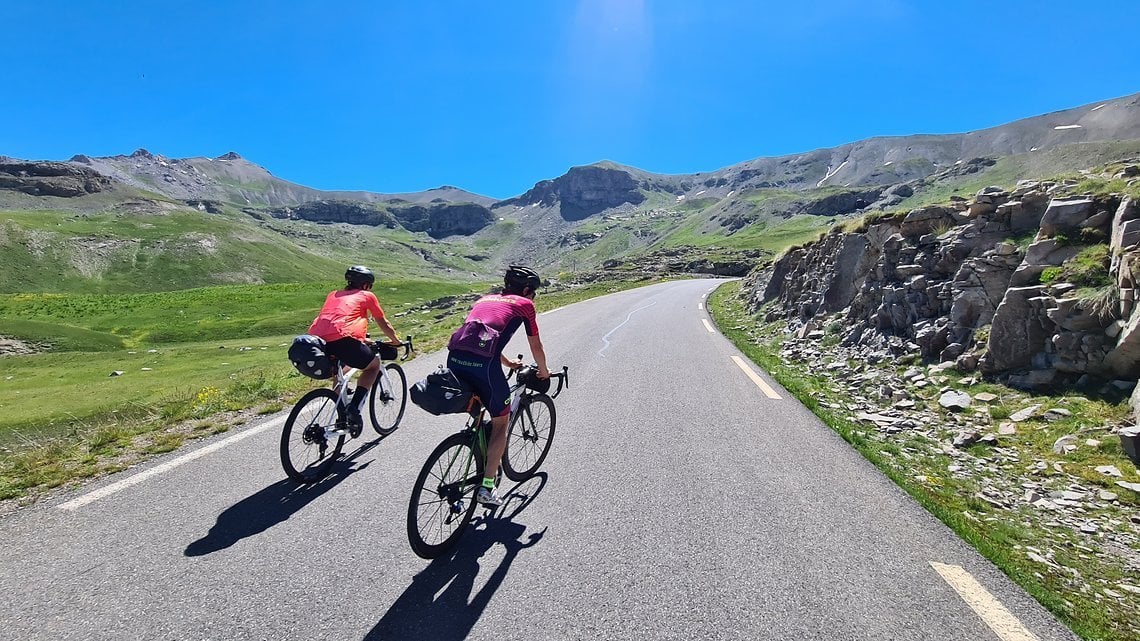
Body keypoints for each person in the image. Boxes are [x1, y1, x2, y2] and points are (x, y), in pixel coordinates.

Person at [447, 265, 550, 506]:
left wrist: (506, 361)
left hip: (454, 359)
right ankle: (487, 487)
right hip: (484, 366)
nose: (533, 296)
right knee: (501, 422)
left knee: (482, 406)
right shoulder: (525, 305)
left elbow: (478, 338)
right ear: (527, 290)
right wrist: (544, 371)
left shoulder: (484, 299)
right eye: (533, 291)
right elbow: (536, 345)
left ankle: (479, 448)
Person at [307, 265, 402, 437]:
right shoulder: (367, 296)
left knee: (340, 370)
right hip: (342, 340)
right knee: (373, 366)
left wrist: (362, 339)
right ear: (366, 285)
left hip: (318, 340)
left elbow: (338, 319)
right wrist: (395, 340)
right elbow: (383, 322)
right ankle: (354, 409)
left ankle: (341, 414)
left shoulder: (333, 294)